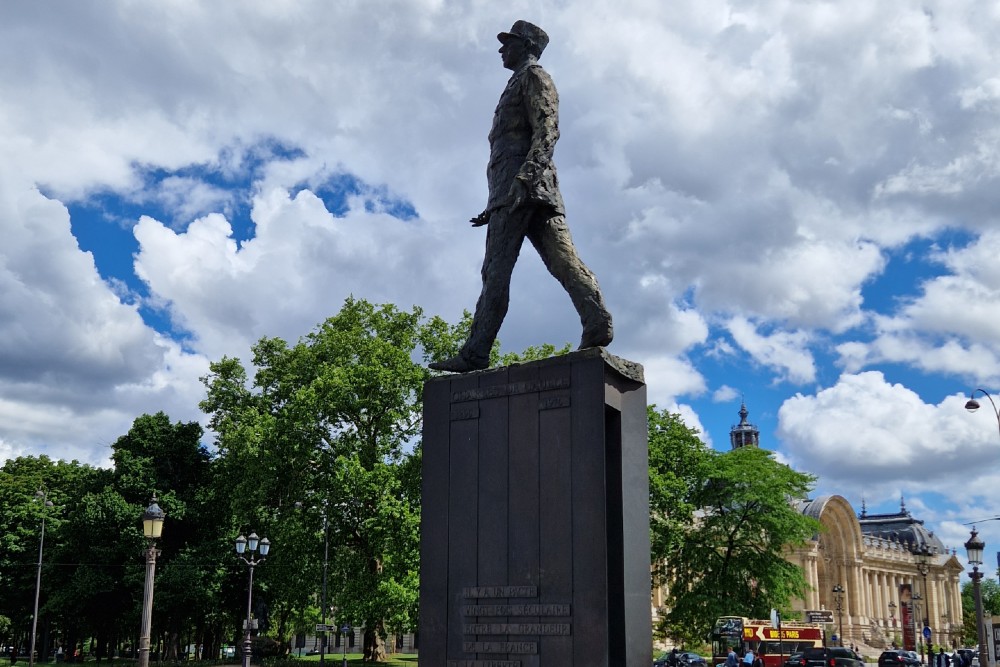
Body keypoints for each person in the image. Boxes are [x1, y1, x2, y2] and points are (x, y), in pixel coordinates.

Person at [429, 20, 613, 373]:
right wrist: (493, 203)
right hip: (522, 192)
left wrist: (523, 181)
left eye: (508, 43)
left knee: (495, 272)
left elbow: (547, 130)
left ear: (526, 45)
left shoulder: (534, 77)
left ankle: (475, 353)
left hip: (523, 190)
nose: (502, 49)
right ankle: (597, 321)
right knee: (562, 261)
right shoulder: (517, 82)